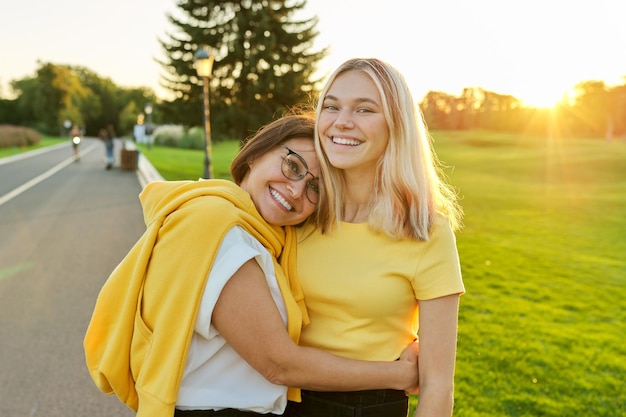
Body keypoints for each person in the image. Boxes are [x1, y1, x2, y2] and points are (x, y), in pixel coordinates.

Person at [84, 113, 419, 417]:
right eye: (292, 166)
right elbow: (278, 364)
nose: (297, 189)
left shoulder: (260, 236)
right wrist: (398, 373)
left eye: (316, 187)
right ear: (256, 153)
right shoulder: (221, 231)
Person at [287, 58, 465, 417]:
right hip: (274, 400)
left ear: (396, 126)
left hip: (366, 409)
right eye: (332, 106)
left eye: (364, 109)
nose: (342, 121)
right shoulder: (296, 212)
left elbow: (436, 386)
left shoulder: (426, 230)